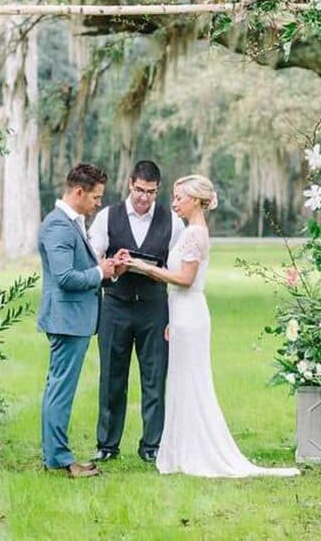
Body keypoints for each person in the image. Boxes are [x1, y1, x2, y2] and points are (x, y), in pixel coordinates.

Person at [125, 174, 299, 478]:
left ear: (195, 200)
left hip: (191, 314)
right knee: (179, 382)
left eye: (179, 197)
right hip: (181, 313)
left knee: (193, 382)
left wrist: (143, 268)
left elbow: (185, 279)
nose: (174, 202)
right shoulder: (190, 232)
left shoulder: (195, 235)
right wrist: (169, 318)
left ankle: (198, 451)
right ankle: (181, 449)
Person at [87, 160, 184, 463]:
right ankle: (107, 444)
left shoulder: (173, 222)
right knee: (112, 377)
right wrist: (114, 264)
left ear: (158, 190)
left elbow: (180, 271)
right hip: (115, 305)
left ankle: (152, 445)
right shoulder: (107, 217)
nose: (144, 197)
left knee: (154, 378)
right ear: (130, 184)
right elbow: (93, 258)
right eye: (140, 190)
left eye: (151, 192)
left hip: (155, 309)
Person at [36, 163, 125, 478]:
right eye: (96, 197)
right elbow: (64, 278)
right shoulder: (59, 226)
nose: (99, 203)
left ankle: (55, 456)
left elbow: (78, 269)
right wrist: (100, 272)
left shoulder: (70, 222)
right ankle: (60, 459)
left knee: (57, 389)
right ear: (79, 192)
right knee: (60, 391)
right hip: (67, 320)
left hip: (72, 318)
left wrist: (106, 269)